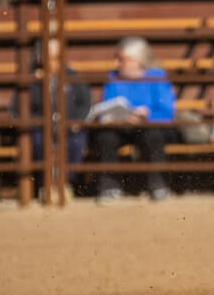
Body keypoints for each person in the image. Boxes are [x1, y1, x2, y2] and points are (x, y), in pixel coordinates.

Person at [89, 37, 175, 204]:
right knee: (106, 137)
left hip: (149, 125)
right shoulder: (113, 78)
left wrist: (146, 115)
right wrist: (121, 117)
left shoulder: (157, 76)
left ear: (138, 60)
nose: (117, 62)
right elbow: (106, 109)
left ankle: (158, 185)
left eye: (122, 59)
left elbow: (167, 112)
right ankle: (109, 186)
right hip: (121, 126)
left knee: (153, 136)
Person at [29, 37, 92, 187]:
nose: (53, 62)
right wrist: (37, 84)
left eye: (57, 58)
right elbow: (19, 108)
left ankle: (65, 183)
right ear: (40, 58)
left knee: (76, 142)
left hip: (69, 127)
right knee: (38, 142)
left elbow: (86, 104)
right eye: (49, 58)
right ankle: (46, 184)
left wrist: (77, 122)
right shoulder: (31, 78)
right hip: (41, 128)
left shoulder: (73, 76)